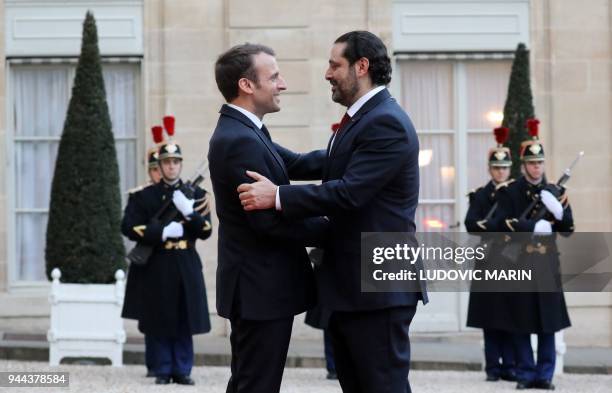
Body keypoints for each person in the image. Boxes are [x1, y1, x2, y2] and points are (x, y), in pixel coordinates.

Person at [237, 31, 427, 393]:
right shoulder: (363, 118)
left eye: (334, 64)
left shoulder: (385, 121)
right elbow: (320, 163)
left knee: (381, 386)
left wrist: (277, 196)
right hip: (353, 287)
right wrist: (251, 134)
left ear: (362, 67)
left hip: (378, 289)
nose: (327, 73)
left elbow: (350, 193)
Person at [208, 43, 329, 393]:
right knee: (256, 384)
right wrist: (332, 230)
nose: (283, 84)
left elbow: (299, 163)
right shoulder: (237, 139)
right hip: (259, 289)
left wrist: (354, 148)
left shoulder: (247, 130)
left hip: (260, 288)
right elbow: (267, 221)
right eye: (273, 76)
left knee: (252, 381)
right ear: (247, 85)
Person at [121, 136, 213, 385]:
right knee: (160, 316)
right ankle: (162, 369)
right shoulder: (145, 197)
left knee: (184, 316)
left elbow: (205, 230)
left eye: (175, 161)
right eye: (166, 162)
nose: (171, 166)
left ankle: (182, 369)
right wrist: (160, 232)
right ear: (159, 167)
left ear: (180, 165)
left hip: (185, 260)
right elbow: (128, 226)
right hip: (158, 262)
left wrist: (189, 212)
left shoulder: (196, 194)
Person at [495, 118, 574, 390]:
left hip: (547, 264)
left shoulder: (556, 192)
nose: (536, 167)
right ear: (523, 165)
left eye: (539, 162)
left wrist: (559, 212)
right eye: (531, 163)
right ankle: (525, 374)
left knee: (548, 324)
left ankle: (544, 375)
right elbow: (502, 223)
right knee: (521, 321)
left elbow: (568, 229)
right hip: (520, 262)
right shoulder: (512, 192)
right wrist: (532, 226)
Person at [464, 126, 517, 382]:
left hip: (512, 260)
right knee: (489, 316)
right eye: (496, 168)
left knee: (511, 314)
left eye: (504, 168)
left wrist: (495, 226)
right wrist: (498, 226)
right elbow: (471, 224)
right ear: (490, 169)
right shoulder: (481, 195)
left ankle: (510, 365)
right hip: (488, 260)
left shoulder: (517, 194)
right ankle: (493, 368)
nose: (500, 172)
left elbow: (517, 226)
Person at [121, 125, 165, 378]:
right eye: (155, 168)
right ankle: (155, 364)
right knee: (152, 316)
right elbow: (128, 226)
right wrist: (155, 231)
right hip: (150, 262)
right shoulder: (140, 196)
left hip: (174, 259)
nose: (160, 172)